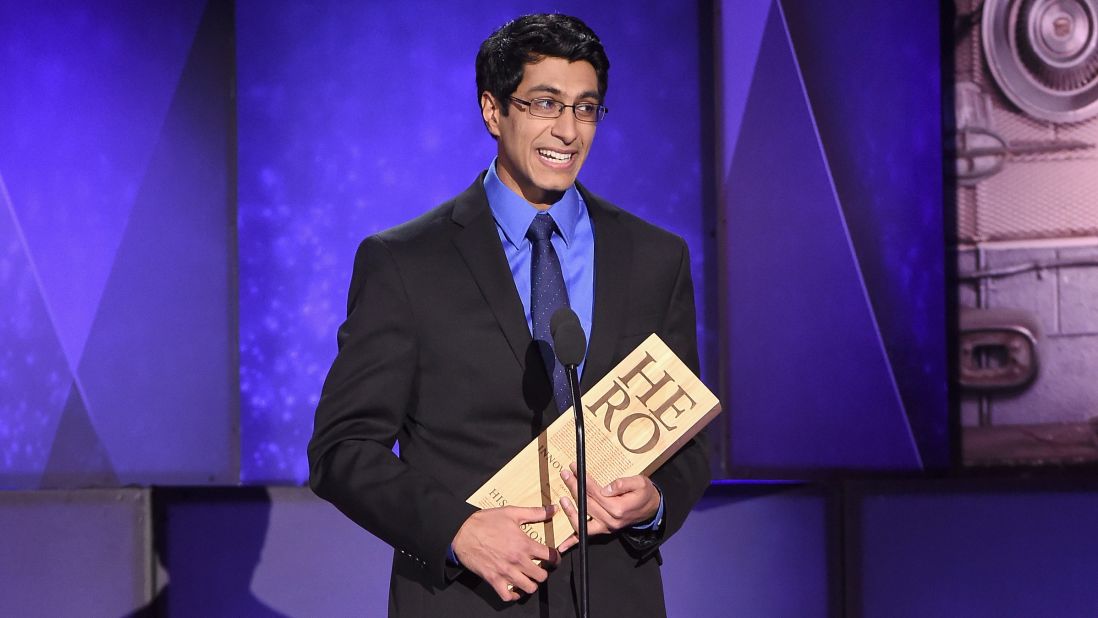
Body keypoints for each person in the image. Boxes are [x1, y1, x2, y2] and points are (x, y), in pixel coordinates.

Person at [308, 13, 709, 617]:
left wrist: (654, 504)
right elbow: (343, 449)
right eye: (545, 103)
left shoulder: (656, 258)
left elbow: (690, 440)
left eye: (586, 107)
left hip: (615, 597)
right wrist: (456, 530)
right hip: (469, 599)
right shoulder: (404, 262)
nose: (568, 130)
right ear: (494, 111)